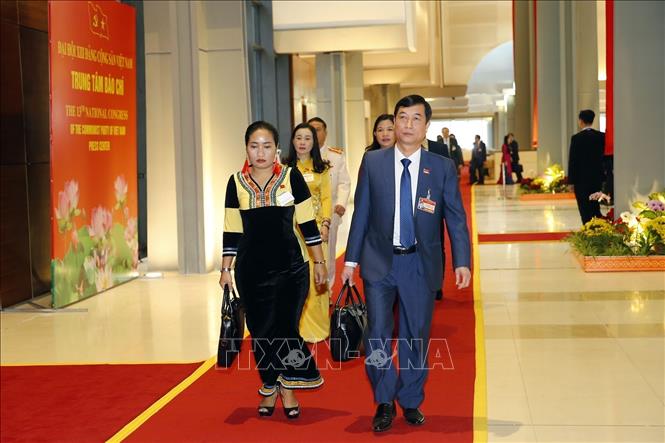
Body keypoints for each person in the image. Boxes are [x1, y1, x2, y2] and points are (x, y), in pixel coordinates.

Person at [341, 95, 471, 433]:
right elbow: (362, 214)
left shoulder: (440, 166)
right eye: (402, 117)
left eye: (416, 119)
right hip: (379, 262)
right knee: (378, 336)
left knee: (416, 335)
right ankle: (384, 399)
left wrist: (462, 260)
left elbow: (455, 218)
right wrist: (350, 261)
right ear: (394, 123)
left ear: (426, 126)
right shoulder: (373, 162)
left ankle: (411, 400)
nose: (408, 125)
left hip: (419, 263)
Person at [220, 121, 327, 420]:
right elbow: (232, 230)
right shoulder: (235, 182)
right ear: (246, 149)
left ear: (277, 148)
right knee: (261, 332)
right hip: (251, 272)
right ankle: (270, 384)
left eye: (267, 146)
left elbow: (307, 224)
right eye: (254, 146)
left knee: (286, 329)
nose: (261, 152)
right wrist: (226, 269)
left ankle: (286, 388)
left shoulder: (292, 178)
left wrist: (319, 262)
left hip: (293, 269)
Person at [285, 123, 332, 343]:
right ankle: (296, 326)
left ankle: (318, 327)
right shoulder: (284, 169)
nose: (303, 142)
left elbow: (325, 198)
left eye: (307, 138)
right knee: (296, 279)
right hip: (292, 234)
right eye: (299, 138)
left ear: (314, 142)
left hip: (315, 234)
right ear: (293, 141)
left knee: (317, 278)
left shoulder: (321, 169)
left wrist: (325, 223)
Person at [307, 117, 351, 294]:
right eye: (311, 130)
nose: (314, 133)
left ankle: (328, 290)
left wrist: (340, 204)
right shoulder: (303, 155)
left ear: (325, 132)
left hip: (329, 212)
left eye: (318, 129)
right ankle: (310, 289)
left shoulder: (335, 155)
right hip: (307, 213)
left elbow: (344, 183)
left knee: (328, 253)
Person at [567, 109, 605, 224]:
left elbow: (573, 160)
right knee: (595, 206)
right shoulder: (601, 137)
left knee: (584, 207)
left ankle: (587, 229)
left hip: (581, 180)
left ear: (581, 121)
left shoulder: (576, 138)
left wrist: (571, 181)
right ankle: (598, 228)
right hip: (596, 179)